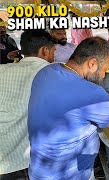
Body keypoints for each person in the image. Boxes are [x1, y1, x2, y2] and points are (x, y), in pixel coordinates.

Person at [28, 37, 109, 180]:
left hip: (38, 171)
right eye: (104, 70)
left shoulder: (47, 71)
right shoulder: (93, 95)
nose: (103, 75)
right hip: (71, 175)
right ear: (92, 63)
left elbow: (71, 105)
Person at [0, 30, 56, 179]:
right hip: (25, 161)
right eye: (53, 51)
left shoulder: (2, 70)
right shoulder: (50, 72)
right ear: (45, 50)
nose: (53, 56)